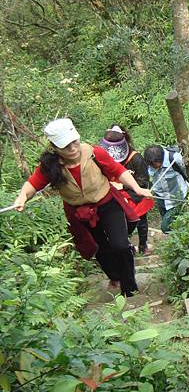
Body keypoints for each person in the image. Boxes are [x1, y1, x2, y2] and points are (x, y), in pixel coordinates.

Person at [14, 118, 153, 297]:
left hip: (107, 204)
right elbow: (33, 184)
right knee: (99, 247)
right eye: (66, 146)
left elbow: (118, 171)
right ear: (54, 147)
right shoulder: (50, 166)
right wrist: (22, 197)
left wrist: (137, 188)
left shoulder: (95, 153)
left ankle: (129, 287)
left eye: (74, 142)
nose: (73, 148)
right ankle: (115, 275)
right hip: (80, 213)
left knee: (120, 245)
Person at [100, 125, 151, 255]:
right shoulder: (101, 158)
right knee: (118, 222)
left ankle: (143, 245)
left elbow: (143, 182)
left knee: (140, 219)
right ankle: (125, 245)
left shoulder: (136, 158)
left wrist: (123, 186)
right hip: (114, 195)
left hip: (135, 194)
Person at [143, 145, 188, 234]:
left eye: (155, 165)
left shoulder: (175, 159)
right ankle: (177, 238)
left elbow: (186, 171)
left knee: (165, 227)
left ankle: (183, 235)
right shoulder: (148, 163)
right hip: (161, 197)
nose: (154, 167)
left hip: (176, 198)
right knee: (169, 220)